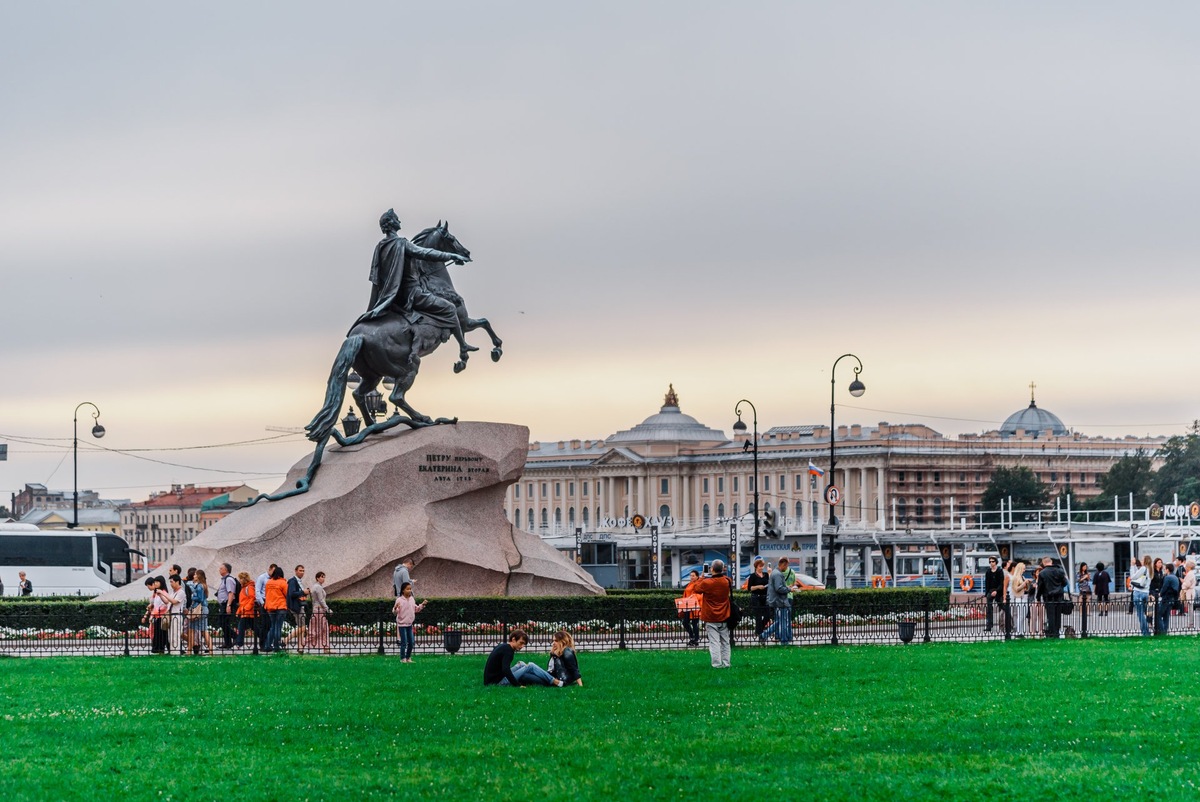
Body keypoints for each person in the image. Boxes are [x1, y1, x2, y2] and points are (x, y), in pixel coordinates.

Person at [358, 209, 477, 359]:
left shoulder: (380, 247)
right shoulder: (401, 243)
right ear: (392, 224)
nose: (399, 221)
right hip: (413, 294)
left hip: (393, 297)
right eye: (397, 219)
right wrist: (451, 255)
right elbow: (426, 253)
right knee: (450, 308)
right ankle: (463, 346)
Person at [483, 630, 563, 686]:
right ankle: (555, 681)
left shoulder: (503, 646)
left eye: (524, 644)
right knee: (530, 666)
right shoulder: (508, 651)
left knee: (521, 664)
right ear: (513, 639)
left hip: (492, 680)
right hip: (498, 683)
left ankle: (542, 679)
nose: (522, 646)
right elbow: (505, 669)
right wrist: (517, 685)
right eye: (521, 643)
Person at [692, 559, 733, 668]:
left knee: (714, 642)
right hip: (724, 615)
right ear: (723, 569)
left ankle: (716, 664)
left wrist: (702, 577)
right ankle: (726, 663)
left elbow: (695, 588)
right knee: (725, 642)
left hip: (710, 616)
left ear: (712, 569)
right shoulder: (727, 581)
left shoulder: (707, 582)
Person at [760, 558, 798, 645]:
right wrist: (789, 589)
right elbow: (779, 588)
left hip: (778, 601)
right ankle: (784, 641)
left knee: (779, 622)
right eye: (786, 565)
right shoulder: (777, 574)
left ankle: (764, 635)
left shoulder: (775, 573)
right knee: (783, 622)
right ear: (783, 564)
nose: (787, 567)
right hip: (780, 601)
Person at [392, 581, 426, 662]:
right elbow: (394, 612)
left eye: (410, 589)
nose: (409, 590)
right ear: (403, 590)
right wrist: (395, 608)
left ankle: (408, 657)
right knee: (404, 643)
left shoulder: (412, 599)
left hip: (409, 624)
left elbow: (416, 609)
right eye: (407, 589)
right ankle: (402, 658)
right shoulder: (399, 600)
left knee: (411, 642)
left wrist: (422, 605)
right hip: (402, 624)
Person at [1037, 557, 1068, 638]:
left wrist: (1038, 598)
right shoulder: (1060, 571)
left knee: (1050, 616)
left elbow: (1040, 587)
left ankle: (1051, 632)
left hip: (1048, 597)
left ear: (1043, 563)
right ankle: (1057, 632)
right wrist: (1059, 587)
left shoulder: (1042, 573)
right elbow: (1065, 583)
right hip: (1059, 596)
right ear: (1051, 562)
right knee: (1058, 615)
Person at [283, 565, 309, 653]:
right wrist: (303, 592)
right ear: (296, 571)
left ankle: (300, 647)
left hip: (299, 606)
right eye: (300, 570)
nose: (302, 572)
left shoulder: (298, 581)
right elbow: (292, 594)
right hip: (296, 607)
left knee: (301, 626)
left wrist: (304, 593)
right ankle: (286, 640)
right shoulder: (293, 581)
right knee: (302, 627)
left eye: (303, 571)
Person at [263, 566, 288, 653]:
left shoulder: (268, 582)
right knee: (278, 627)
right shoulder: (283, 583)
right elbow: (286, 594)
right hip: (280, 606)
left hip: (270, 607)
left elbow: (266, 594)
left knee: (272, 627)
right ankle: (277, 646)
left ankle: (267, 645)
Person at [189, 569, 214, 655]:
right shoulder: (204, 585)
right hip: (204, 608)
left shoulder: (199, 586)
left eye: (195, 574)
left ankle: (189, 651)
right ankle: (210, 650)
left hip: (199, 609)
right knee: (203, 630)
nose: (194, 576)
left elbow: (200, 598)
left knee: (194, 629)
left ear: (199, 576)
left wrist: (191, 597)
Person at [142, 576, 169, 655]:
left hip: (161, 616)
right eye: (155, 582)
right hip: (157, 616)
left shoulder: (163, 592)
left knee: (161, 634)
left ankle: (161, 649)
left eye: (157, 582)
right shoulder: (156, 593)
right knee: (157, 634)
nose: (155, 584)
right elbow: (154, 604)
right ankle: (158, 649)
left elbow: (165, 603)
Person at [307, 571, 332, 654]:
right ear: (317, 578)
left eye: (324, 577)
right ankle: (303, 645)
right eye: (321, 577)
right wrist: (327, 609)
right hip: (319, 610)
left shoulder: (316, 586)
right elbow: (321, 600)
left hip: (318, 609)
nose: (323, 578)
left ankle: (326, 648)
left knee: (323, 629)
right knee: (316, 630)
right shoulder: (318, 587)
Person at [255, 563, 277, 651]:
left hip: (272, 602)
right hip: (264, 602)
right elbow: (257, 591)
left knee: (270, 625)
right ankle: (262, 644)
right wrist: (262, 602)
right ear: (270, 569)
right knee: (265, 624)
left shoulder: (274, 579)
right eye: (273, 571)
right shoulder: (262, 578)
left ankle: (268, 643)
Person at [215, 563, 237, 649]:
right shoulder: (224, 580)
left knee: (223, 623)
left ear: (226, 570)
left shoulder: (229, 580)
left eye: (221, 568)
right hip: (223, 604)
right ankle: (227, 642)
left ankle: (235, 636)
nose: (219, 570)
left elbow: (231, 593)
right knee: (223, 623)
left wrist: (228, 605)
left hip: (226, 604)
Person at [746, 559, 770, 638]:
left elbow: (770, 583)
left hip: (765, 597)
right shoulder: (753, 576)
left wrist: (770, 573)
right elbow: (749, 588)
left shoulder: (766, 574)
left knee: (767, 615)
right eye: (760, 566)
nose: (761, 568)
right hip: (756, 597)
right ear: (756, 567)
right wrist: (758, 587)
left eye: (762, 566)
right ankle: (760, 634)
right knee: (758, 616)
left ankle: (759, 629)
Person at [678, 570, 702, 646]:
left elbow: (700, 594)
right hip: (688, 605)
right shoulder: (690, 584)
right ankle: (692, 637)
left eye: (693, 576)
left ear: (697, 576)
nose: (691, 577)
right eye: (690, 575)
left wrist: (693, 597)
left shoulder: (698, 584)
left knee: (695, 623)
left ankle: (695, 640)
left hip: (694, 606)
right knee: (685, 622)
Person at [1157, 563, 1181, 635]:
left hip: (1166, 598)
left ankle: (1162, 631)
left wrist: (1160, 593)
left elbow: (1165, 587)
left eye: (1165, 569)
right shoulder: (1175, 577)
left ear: (1167, 569)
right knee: (1166, 616)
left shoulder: (1168, 577)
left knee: (1158, 615)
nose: (1164, 570)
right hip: (1172, 598)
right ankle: (1165, 631)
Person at [165, 574, 186, 654]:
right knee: (170, 636)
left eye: (172, 582)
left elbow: (174, 601)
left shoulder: (181, 592)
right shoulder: (173, 592)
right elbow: (168, 601)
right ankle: (172, 652)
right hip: (171, 615)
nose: (171, 584)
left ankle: (176, 652)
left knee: (175, 635)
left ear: (177, 582)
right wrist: (161, 596)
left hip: (177, 615)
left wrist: (164, 594)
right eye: (170, 582)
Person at [1130, 556, 1151, 636]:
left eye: (1142, 559)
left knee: (1140, 613)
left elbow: (1133, 577)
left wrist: (1132, 566)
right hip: (1146, 592)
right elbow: (1138, 575)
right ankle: (1145, 630)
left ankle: (1145, 632)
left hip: (1139, 592)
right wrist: (1135, 566)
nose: (1141, 561)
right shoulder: (1150, 569)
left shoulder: (1143, 568)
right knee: (1143, 613)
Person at [235, 571, 256, 649]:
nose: (239, 580)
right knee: (254, 628)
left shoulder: (248, 587)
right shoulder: (246, 587)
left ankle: (239, 643)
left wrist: (246, 608)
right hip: (247, 611)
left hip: (247, 611)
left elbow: (252, 598)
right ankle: (264, 640)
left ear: (244, 579)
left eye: (240, 578)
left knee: (241, 627)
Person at [983, 556, 1004, 632]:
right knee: (989, 609)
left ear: (996, 562)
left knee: (1003, 607)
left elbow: (1001, 583)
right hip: (990, 591)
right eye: (990, 562)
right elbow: (987, 583)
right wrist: (987, 593)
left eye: (993, 561)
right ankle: (989, 626)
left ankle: (1005, 624)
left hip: (998, 591)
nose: (991, 563)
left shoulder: (999, 571)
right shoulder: (988, 571)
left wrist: (997, 591)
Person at [1007, 562, 1028, 638]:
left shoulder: (1022, 577)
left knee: (1023, 615)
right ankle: (1019, 632)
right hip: (1019, 598)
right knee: (1020, 615)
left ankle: (1021, 631)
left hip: (1024, 597)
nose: (1024, 570)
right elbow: (1016, 589)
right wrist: (1023, 584)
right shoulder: (1015, 578)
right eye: (1023, 568)